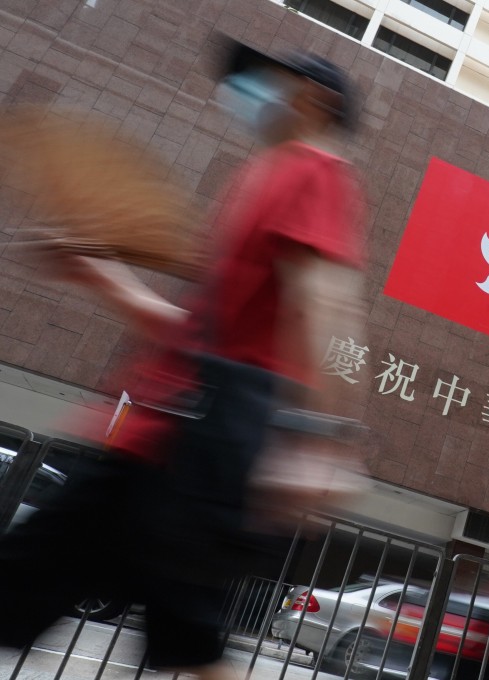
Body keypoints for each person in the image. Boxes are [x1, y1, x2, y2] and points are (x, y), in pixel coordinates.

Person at [0, 42, 368, 680]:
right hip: (170, 439)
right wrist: (103, 277)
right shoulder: (259, 178)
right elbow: (203, 333)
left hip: (190, 447)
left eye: (270, 81)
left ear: (316, 99)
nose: (253, 93)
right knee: (192, 648)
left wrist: (320, 441)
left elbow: (324, 305)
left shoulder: (313, 171)